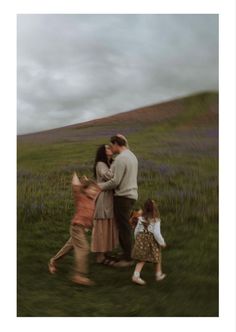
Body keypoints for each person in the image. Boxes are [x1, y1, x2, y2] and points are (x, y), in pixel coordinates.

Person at [98, 135, 138, 267]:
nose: (111, 148)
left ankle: (127, 259)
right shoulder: (132, 155)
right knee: (125, 227)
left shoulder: (121, 158)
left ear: (116, 144)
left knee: (123, 228)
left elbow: (115, 182)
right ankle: (127, 253)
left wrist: (98, 186)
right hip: (131, 195)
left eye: (111, 145)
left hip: (123, 197)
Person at [91, 144, 119, 265]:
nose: (110, 149)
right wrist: (117, 165)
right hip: (103, 198)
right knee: (102, 226)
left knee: (108, 225)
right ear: (103, 152)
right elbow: (109, 176)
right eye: (107, 148)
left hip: (109, 197)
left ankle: (105, 252)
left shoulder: (109, 163)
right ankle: (99, 256)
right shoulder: (100, 164)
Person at [131, 199, 167, 285]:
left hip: (140, 240)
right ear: (154, 209)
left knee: (142, 259)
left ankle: (137, 275)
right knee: (157, 255)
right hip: (150, 242)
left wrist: (136, 239)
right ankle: (157, 274)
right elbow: (156, 233)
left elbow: (136, 230)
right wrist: (162, 242)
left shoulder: (140, 218)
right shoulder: (156, 220)